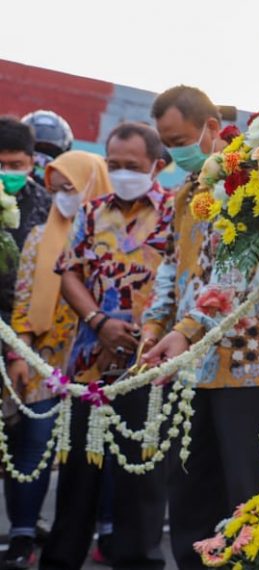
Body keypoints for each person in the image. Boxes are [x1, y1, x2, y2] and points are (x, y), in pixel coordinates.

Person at [141, 85, 259, 569]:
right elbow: (171, 263)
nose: (175, 151)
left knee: (249, 490)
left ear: (212, 127)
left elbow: (236, 273)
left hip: (249, 358)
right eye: (166, 142)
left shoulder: (251, 183)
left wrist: (183, 330)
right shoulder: (187, 190)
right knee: (188, 485)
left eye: (181, 138)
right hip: (189, 358)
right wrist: (153, 325)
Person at [40, 122, 173, 570]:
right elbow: (69, 272)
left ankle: (137, 559)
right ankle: (61, 559)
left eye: (132, 166)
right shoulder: (93, 211)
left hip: (151, 364)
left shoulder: (177, 212)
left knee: (142, 477)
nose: (121, 173)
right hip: (90, 364)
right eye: (113, 165)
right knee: (78, 471)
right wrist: (98, 321)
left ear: (158, 164)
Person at [1, 151, 110, 569]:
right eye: (55, 190)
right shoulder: (38, 236)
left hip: (94, 359)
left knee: (96, 452)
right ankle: (23, 537)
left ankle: (108, 532)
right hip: (43, 357)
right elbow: (24, 299)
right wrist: (20, 354)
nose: (62, 198)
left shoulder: (114, 235)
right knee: (32, 448)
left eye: (71, 188)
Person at [0, 116, 53, 322]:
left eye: (15, 165)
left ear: (31, 163)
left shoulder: (45, 204)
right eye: (0, 164)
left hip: (20, 321)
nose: (6, 172)